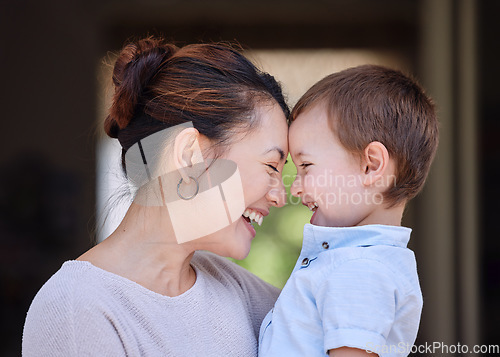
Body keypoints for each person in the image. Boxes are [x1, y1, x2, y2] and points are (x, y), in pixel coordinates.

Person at [23, 36, 290, 356]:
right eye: (271, 166)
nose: (280, 196)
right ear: (190, 155)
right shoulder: (76, 310)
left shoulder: (236, 289)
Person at [259, 65, 439, 357]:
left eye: (306, 166)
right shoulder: (358, 262)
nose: (295, 188)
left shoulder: (361, 270)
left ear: (372, 166)